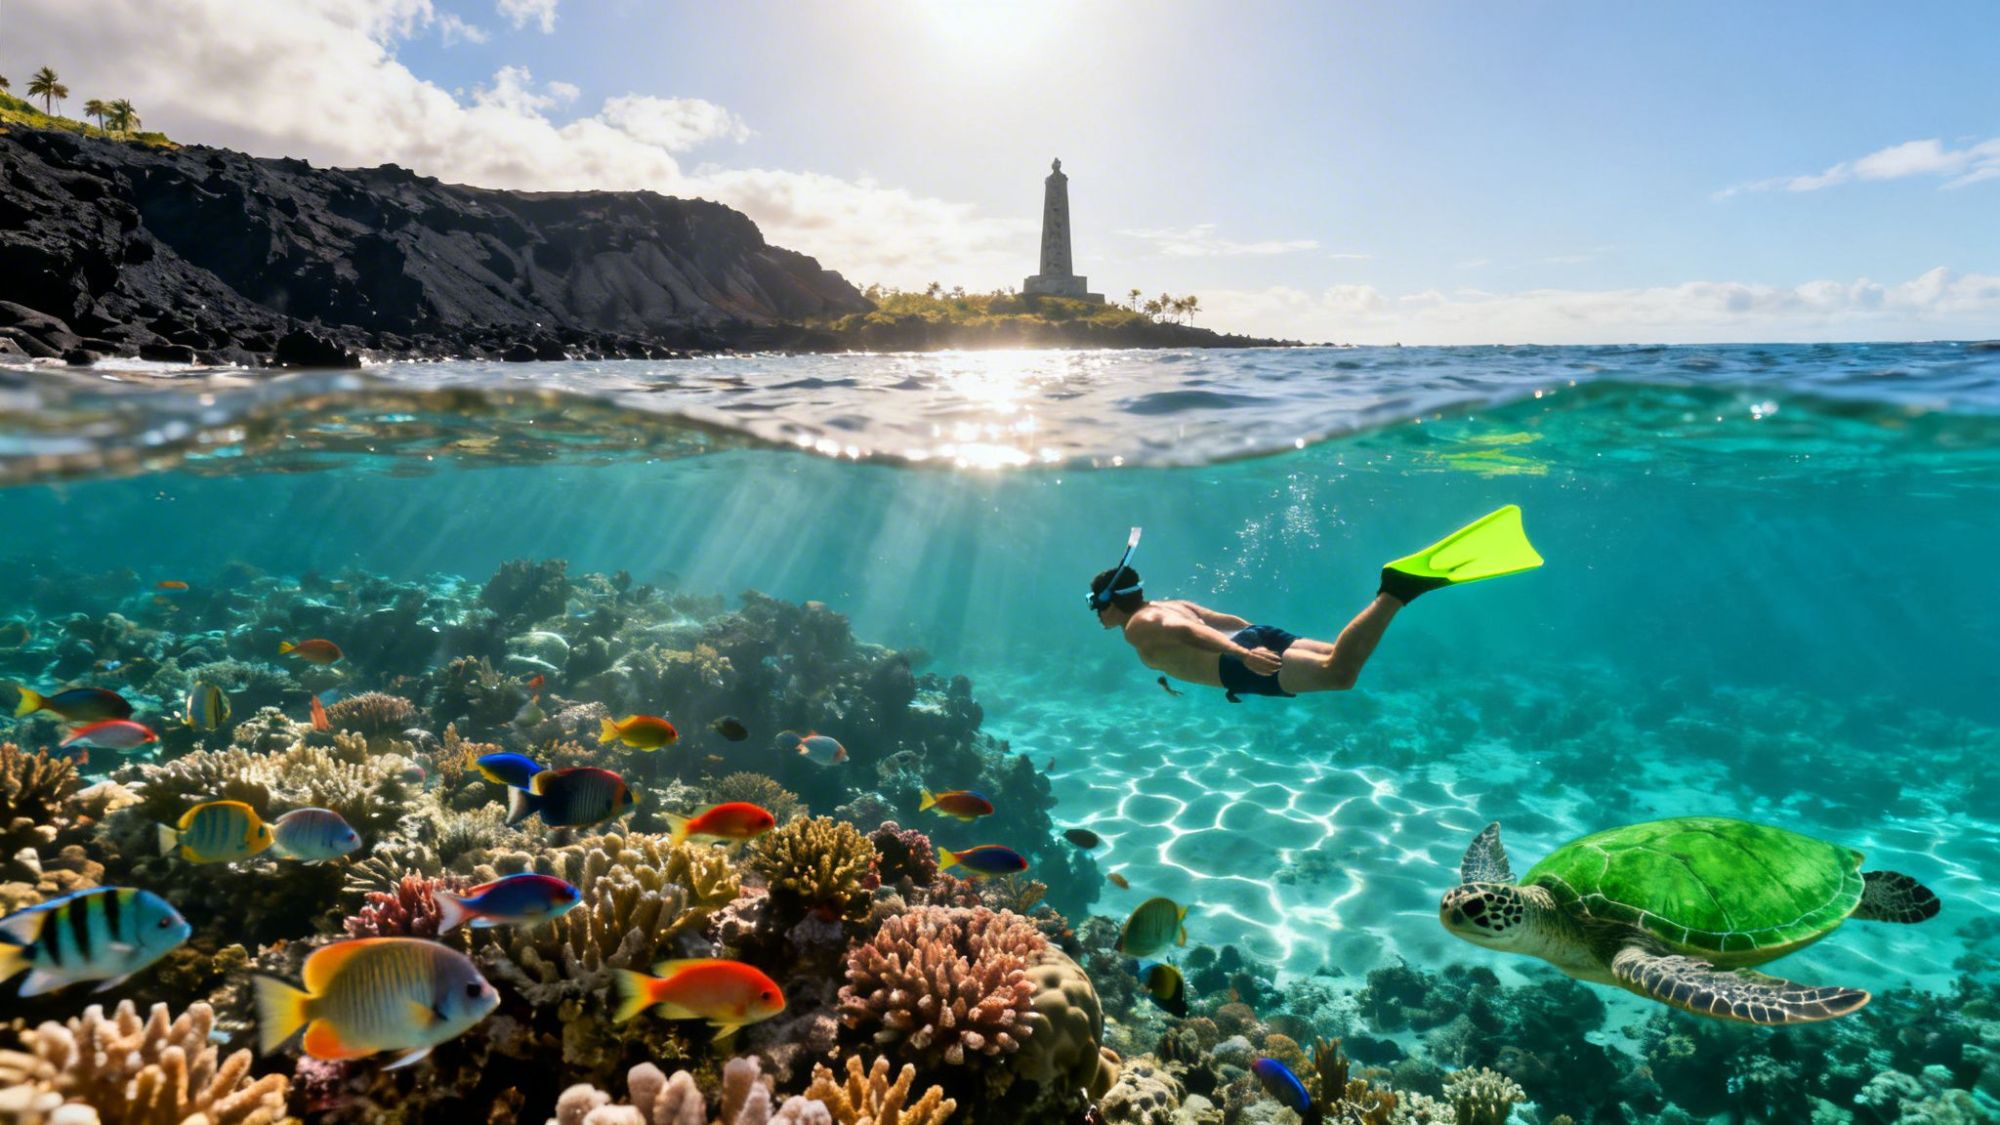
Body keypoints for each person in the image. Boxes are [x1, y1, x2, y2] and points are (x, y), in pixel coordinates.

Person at [1089, 507, 1542, 702]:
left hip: (1240, 659)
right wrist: (1253, 638)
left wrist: (1242, 656)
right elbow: (1214, 620)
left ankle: (1397, 589)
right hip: (1249, 644)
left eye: (1097, 607)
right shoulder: (1170, 602)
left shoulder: (1140, 624)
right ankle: (1399, 590)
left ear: (1112, 602)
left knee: (1339, 675)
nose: (1099, 617)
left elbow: (1185, 634)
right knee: (1335, 658)